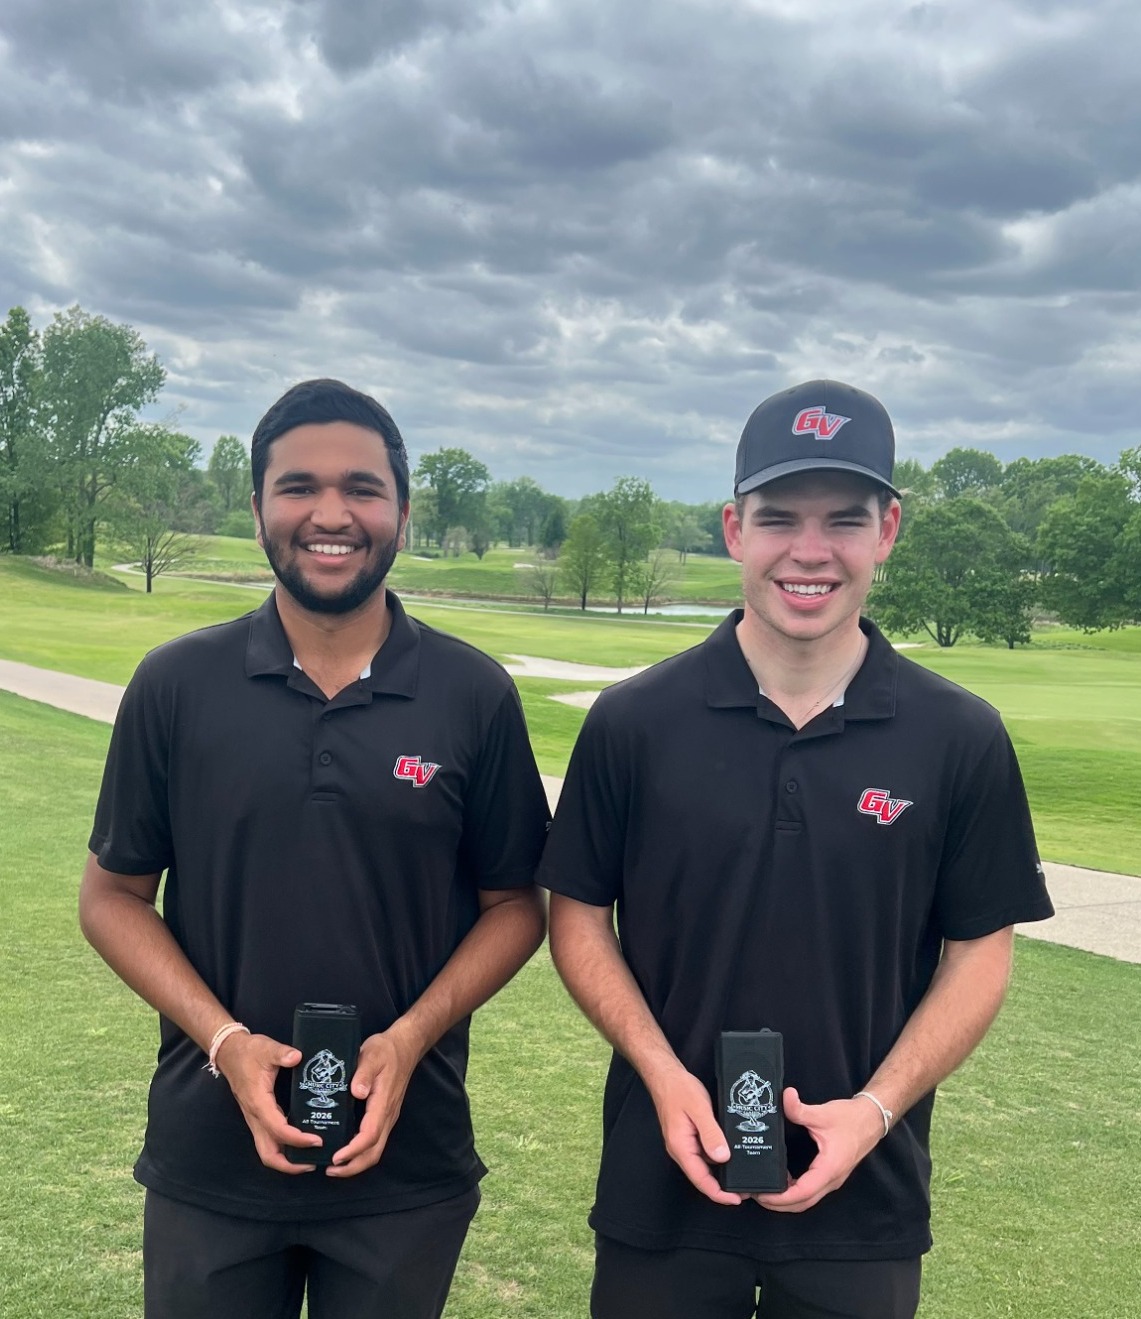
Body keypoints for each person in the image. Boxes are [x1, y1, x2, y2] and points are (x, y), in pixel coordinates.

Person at [541, 379, 1054, 1319]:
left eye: (843, 520)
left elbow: (979, 948)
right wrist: (661, 1072)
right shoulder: (633, 722)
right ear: (734, 528)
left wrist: (875, 1108)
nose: (809, 552)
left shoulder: (959, 735)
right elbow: (575, 912)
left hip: (864, 1198)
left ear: (887, 529)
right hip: (663, 1191)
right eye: (778, 517)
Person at [79, 378, 550, 1319]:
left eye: (362, 489)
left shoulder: (473, 695)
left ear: (402, 514)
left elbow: (516, 909)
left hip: (404, 1162)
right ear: (257, 507)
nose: (330, 514)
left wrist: (410, 1039)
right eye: (297, 486)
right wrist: (225, 1041)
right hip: (209, 1157)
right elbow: (112, 897)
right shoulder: (176, 684)